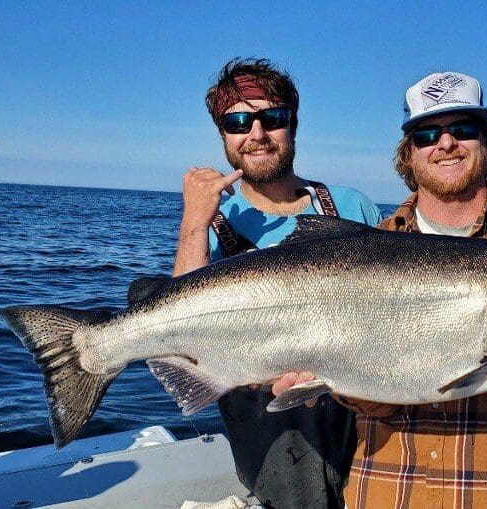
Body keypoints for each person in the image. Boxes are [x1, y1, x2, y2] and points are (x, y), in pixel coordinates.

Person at [274, 71, 487, 508]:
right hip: (386, 493)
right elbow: (366, 404)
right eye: (428, 133)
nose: (446, 143)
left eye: (464, 130)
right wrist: (319, 379)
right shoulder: (369, 246)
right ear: (409, 152)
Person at [172, 57, 382, 509]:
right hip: (269, 429)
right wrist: (194, 218)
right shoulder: (212, 220)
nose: (257, 133)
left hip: (357, 409)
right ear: (224, 135)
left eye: (273, 117)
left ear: (293, 125)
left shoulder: (350, 206)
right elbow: (179, 326)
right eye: (238, 121)